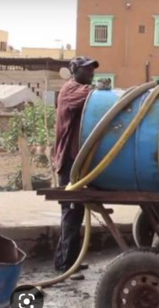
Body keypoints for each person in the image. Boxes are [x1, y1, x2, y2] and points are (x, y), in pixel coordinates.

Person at [53, 56, 99, 280]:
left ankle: (68, 260)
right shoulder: (71, 90)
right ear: (75, 71)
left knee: (76, 212)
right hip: (69, 161)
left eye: (92, 69)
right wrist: (98, 90)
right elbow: (89, 96)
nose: (91, 72)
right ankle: (65, 266)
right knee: (71, 212)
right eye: (87, 69)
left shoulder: (80, 89)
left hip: (76, 160)